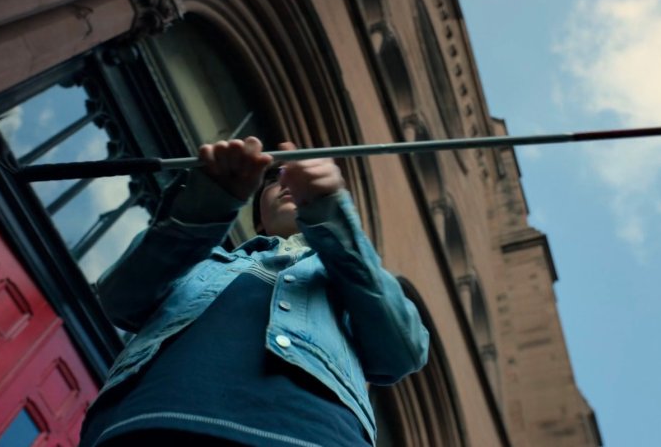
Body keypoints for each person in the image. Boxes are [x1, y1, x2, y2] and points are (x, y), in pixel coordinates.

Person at [79, 137, 429, 446]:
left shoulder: (357, 279)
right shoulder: (201, 262)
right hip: (147, 423)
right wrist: (206, 205)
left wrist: (329, 214)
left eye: (302, 177)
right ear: (258, 217)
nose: (286, 180)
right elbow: (120, 300)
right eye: (273, 179)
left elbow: (404, 351)